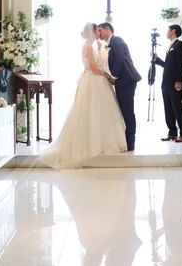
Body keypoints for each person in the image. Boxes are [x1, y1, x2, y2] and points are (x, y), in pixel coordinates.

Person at [39, 23, 127, 168]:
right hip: (94, 80)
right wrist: (107, 75)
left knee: (98, 111)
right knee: (93, 111)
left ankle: (99, 141)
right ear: (93, 32)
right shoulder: (88, 47)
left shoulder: (91, 46)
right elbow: (94, 68)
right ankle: (93, 144)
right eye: (98, 31)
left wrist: (101, 51)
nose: (99, 33)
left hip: (93, 79)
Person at [98, 22, 142, 151]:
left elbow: (120, 59)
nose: (99, 33)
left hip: (127, 80)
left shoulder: (116, 40)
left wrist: (114, 76)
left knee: (128, 112)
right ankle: (126, 140)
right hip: (122, 81)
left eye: (100, 30)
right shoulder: (109, 44)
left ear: (107, 29)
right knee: (124, 111)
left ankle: (130, 143)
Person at [153, 24, 182, 143]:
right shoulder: (170, 46)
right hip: (166, 82)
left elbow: (180, 64)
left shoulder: (179, 44)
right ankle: (172, 132)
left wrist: (178, 80)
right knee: (168, 108)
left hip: (174, 82)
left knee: (177, 107)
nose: (166, 33)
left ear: (173, 31)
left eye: (168, 30)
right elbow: (168, 65)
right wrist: (157, 60)